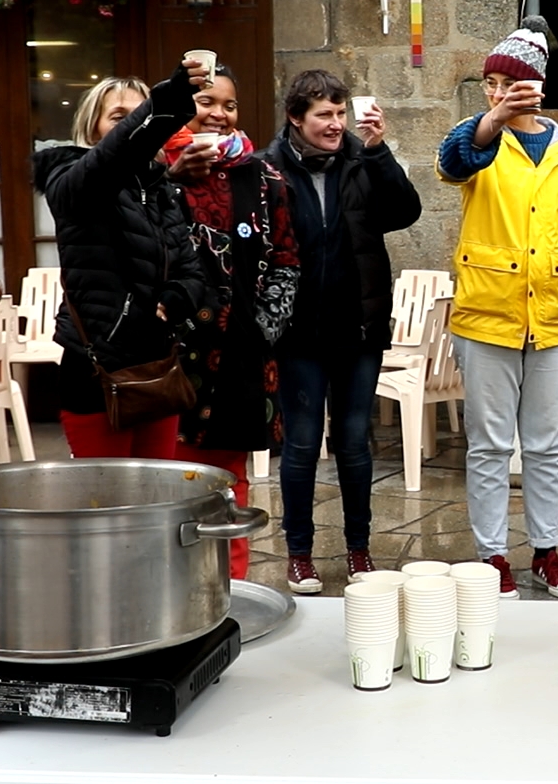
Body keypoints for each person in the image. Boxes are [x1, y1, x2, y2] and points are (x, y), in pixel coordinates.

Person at [436, 17, 558, 599]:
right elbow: (453, 164)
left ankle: (544, 550)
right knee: (488, 445)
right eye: (489, 82)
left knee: (544, 444)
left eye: (507, 82)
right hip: (488, 313)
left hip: (555, 315)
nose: (497, 91)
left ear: (535, 84)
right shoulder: (477, 137)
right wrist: (492, 120)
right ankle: (490, 556)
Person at [268, 70, 421, 595]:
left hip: (358, 329)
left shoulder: (361, 159)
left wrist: (379, 151)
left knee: (356, 442)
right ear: (296, 118)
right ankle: (299, 554)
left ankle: (359, 548)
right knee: (303, 445)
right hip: (298, 334)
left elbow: (406, 211)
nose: (336, 125)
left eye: (340, 113)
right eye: (323, 116)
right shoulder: (270, 169)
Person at [160, 64, 300, 582]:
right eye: (206, 102)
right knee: (169, 483)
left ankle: (231, 593)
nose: (220, 114)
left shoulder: (265, 179)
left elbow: (286, 257)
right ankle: (174, 600)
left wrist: (266, 326)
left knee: (229, 484)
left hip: (241, 352)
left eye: (230, 104)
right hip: (173, 358)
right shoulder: (154, 172)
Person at [35, 61, 207, 461]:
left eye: (139, 113)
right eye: (118, 116)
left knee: (156, 501)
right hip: (96, 371)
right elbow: (108, 163)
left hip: (155, 365)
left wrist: (174, 298)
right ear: (92, 127)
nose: (133, 124)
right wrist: (159, 106)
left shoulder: (159, 189)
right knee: (104, 504)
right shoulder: (70, 175)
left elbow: (190, 270)